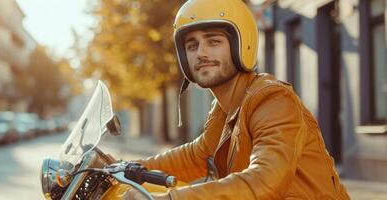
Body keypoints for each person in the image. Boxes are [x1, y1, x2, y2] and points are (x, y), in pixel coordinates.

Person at [124, 0, 350, 199]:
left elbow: (264, 181)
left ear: (241, 45)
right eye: (192, 45)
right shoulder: (224, 109)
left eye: (213, 41)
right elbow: (195, 156)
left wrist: (173, 198)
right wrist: (126, 167)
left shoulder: (273, 100)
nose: (200, 53)